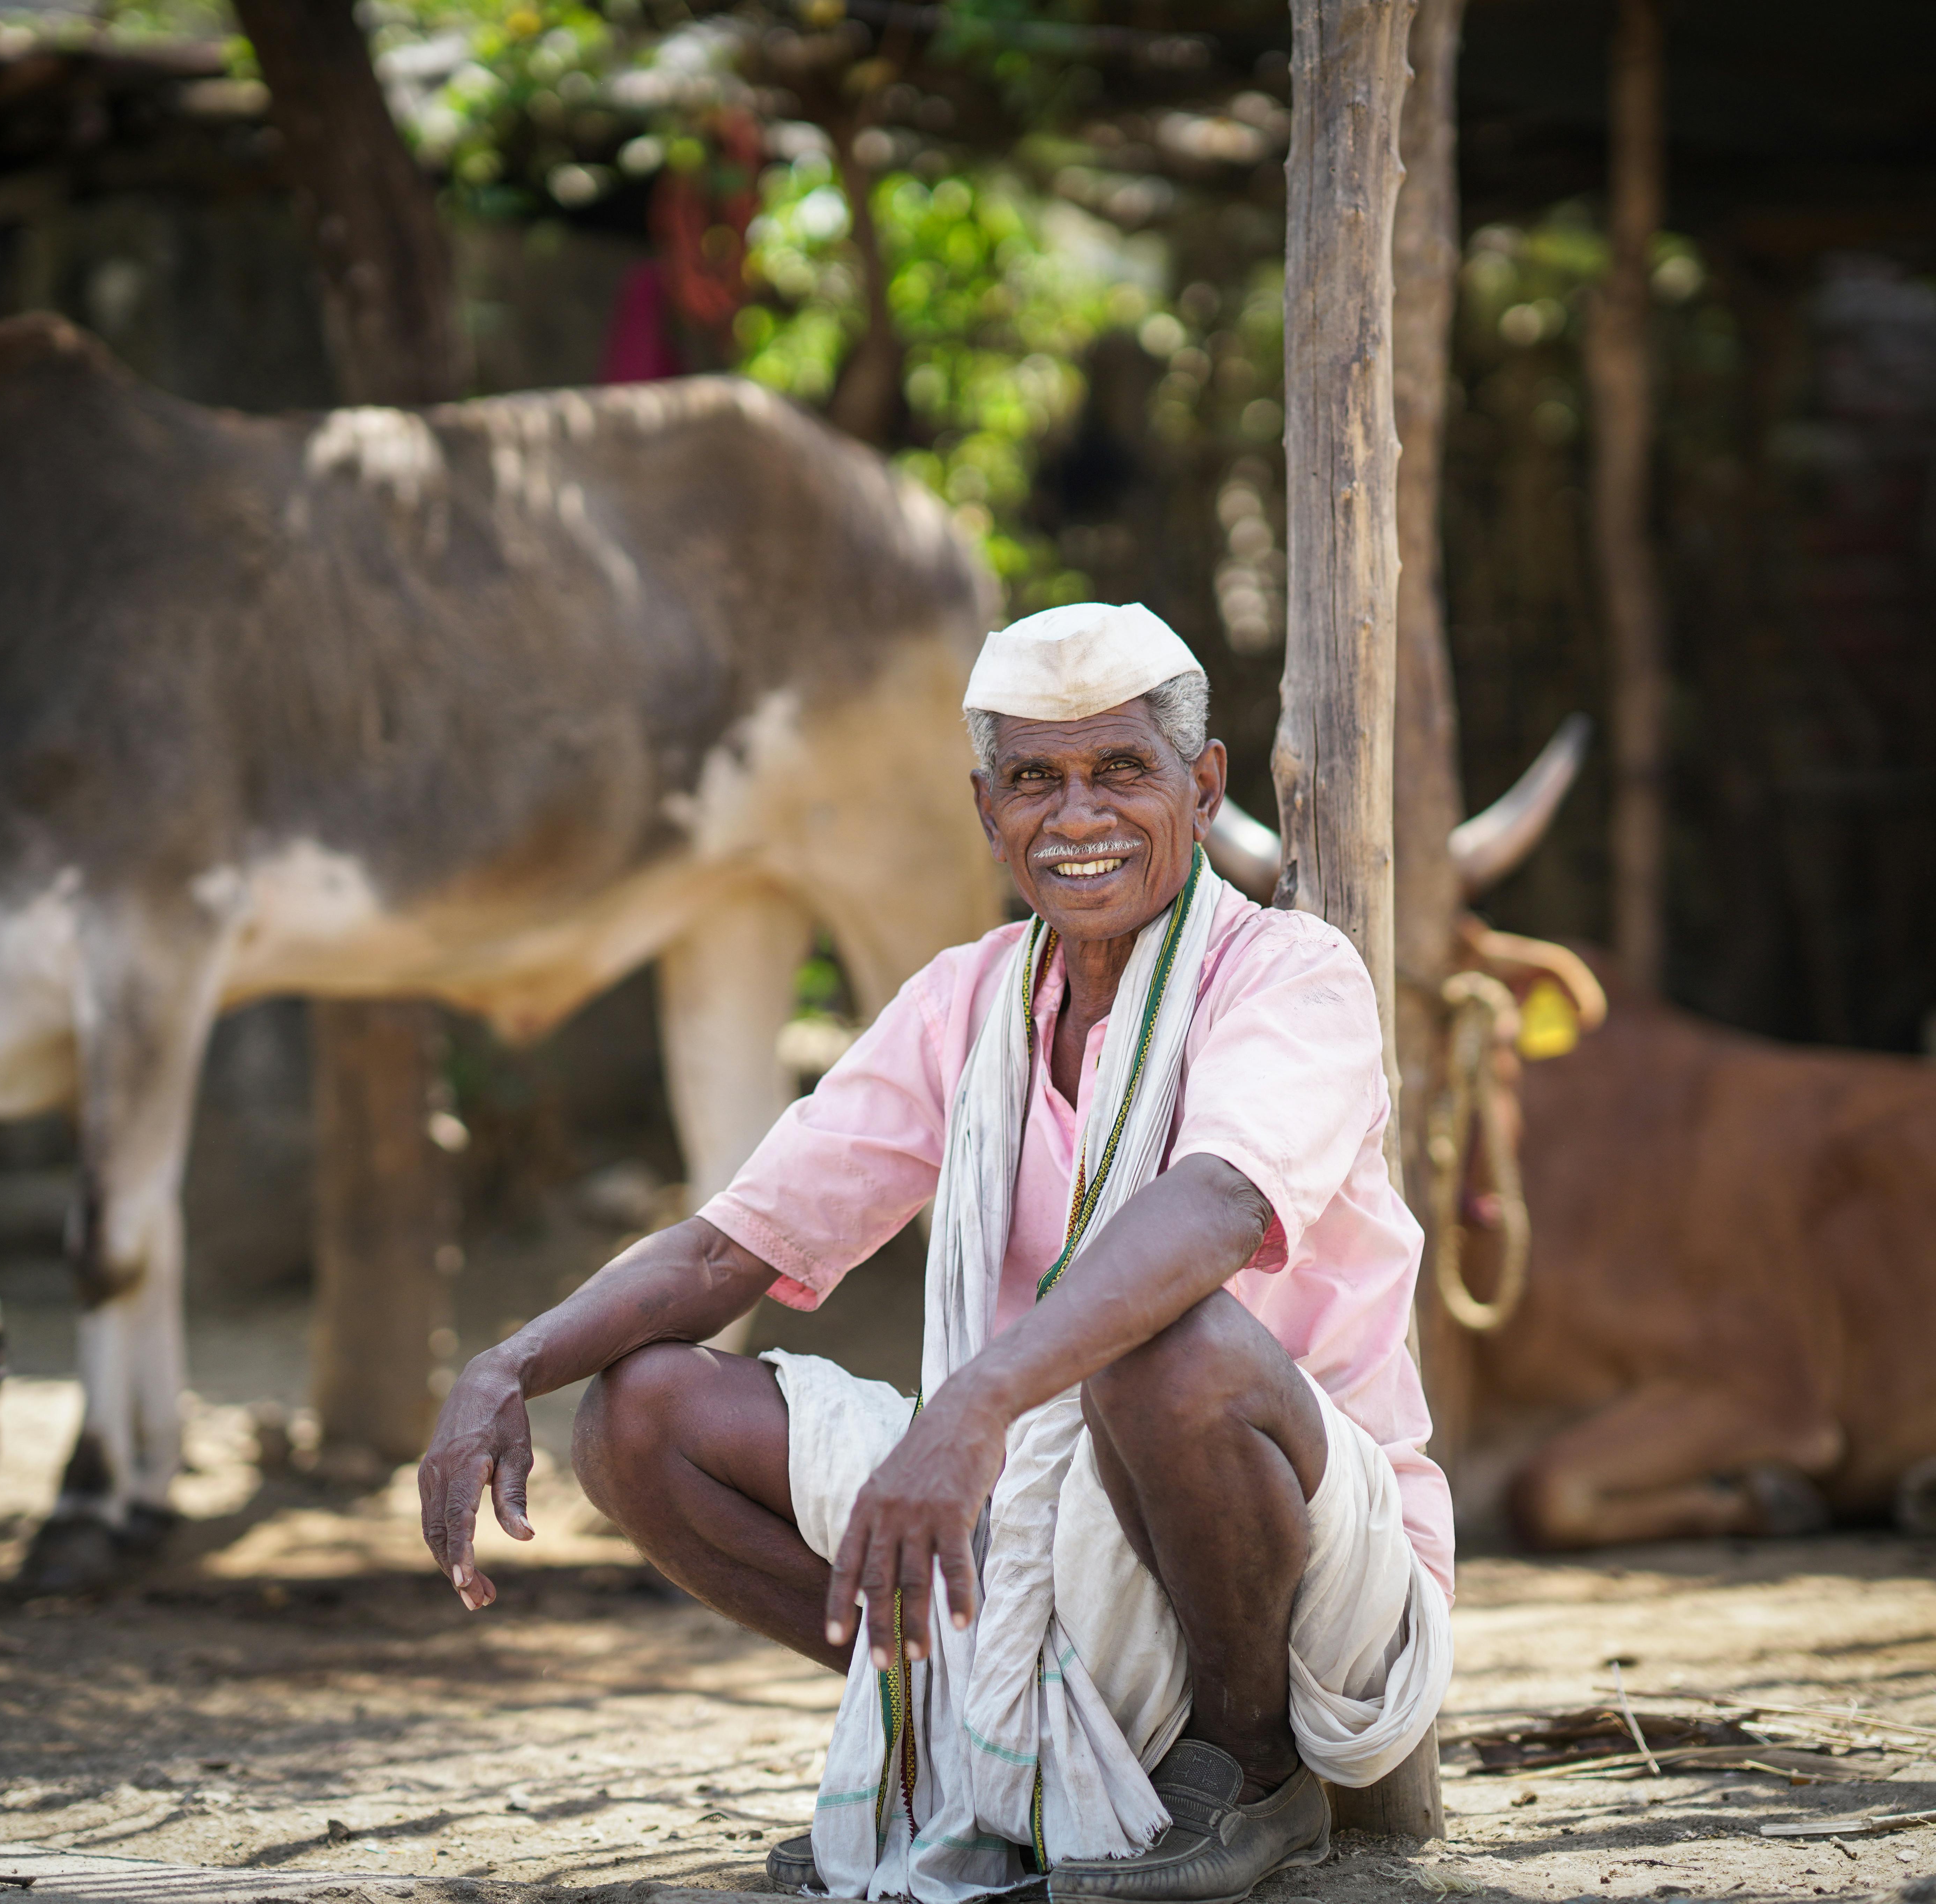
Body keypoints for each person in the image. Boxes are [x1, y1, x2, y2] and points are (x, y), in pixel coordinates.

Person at [418, 602, 1452, 1904]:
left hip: (1310, 1576)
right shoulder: (967, 1004)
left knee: (1159, 1345)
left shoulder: (1292, 976)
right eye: (1036, 781)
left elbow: (1217, 1213)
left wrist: (971, 1407)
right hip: (1035, 1514)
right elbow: (730, 1249)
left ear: (1204, 787)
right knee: (641, 1412)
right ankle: (992, 1748)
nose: (1077, 819)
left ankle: (1247, 1773)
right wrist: (505, 1366)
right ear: (987, 809)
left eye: (1122, 771)